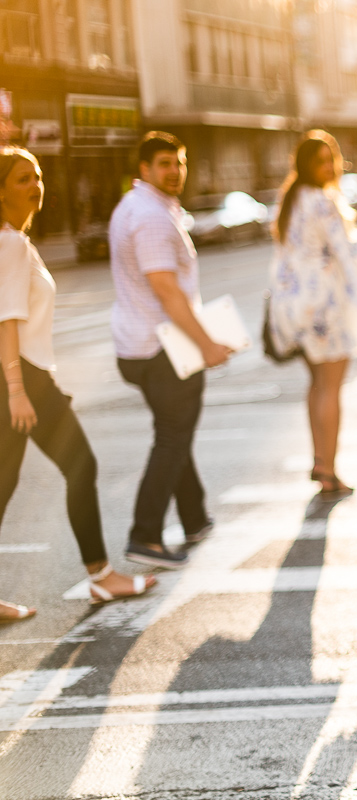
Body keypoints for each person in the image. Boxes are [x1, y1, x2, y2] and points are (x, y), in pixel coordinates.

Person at [0, 147, 156, 621]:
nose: (35, 185)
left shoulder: (14, 240)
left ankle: (101, 574)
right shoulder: (10, 244)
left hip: (22, 376)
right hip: (22, 378)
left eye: (38, 175)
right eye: (23, 178)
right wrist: (18, 390)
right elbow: (7, 320)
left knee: (4, 484)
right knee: (81, 465)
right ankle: (102, 575)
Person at [108, 132, 231, 570]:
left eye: (179, 162)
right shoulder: (152, 218)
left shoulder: (134, 206)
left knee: (173, 432)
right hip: (163, 349)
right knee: (173, 437)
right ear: (144, 169)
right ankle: (145, 535)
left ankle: (194, 518)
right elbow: (165, 288)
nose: (174, 171)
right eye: (164, 163)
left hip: (138, 344)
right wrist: (207, 343)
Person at [267, 131, 357, 495]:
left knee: (317, 385)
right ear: (306, 166)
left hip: (297, 307)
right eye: (320, 162)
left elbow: (282, 260)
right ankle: (328, 469)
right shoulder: (323, 202)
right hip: (326, 306)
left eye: (331, 160)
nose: (328, 167)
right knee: (331, 388)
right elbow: (349, 258)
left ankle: (318, 460)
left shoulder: (290, 201)